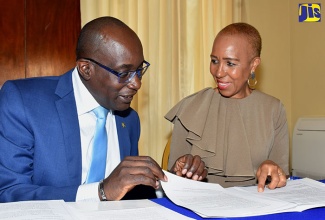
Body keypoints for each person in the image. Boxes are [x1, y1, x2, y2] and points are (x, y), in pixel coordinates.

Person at [0, 16, 167, 202]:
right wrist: (101, 192)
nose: (136, 83)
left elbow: (128, 195)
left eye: (139, 70)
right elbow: (9, 193)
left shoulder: (129, 120)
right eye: (124, 73)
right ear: (86, 69)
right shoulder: (23, 102)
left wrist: (170, 183)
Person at [165, 22, 289, 192]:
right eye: (214, 61)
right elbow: (172, 178)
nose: (219, 72)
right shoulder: (191, 108)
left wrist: (272, 168)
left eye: (230, 63)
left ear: (253, 64)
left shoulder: (274, 109)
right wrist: (181, 169)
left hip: (256, 208)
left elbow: (281, 177)